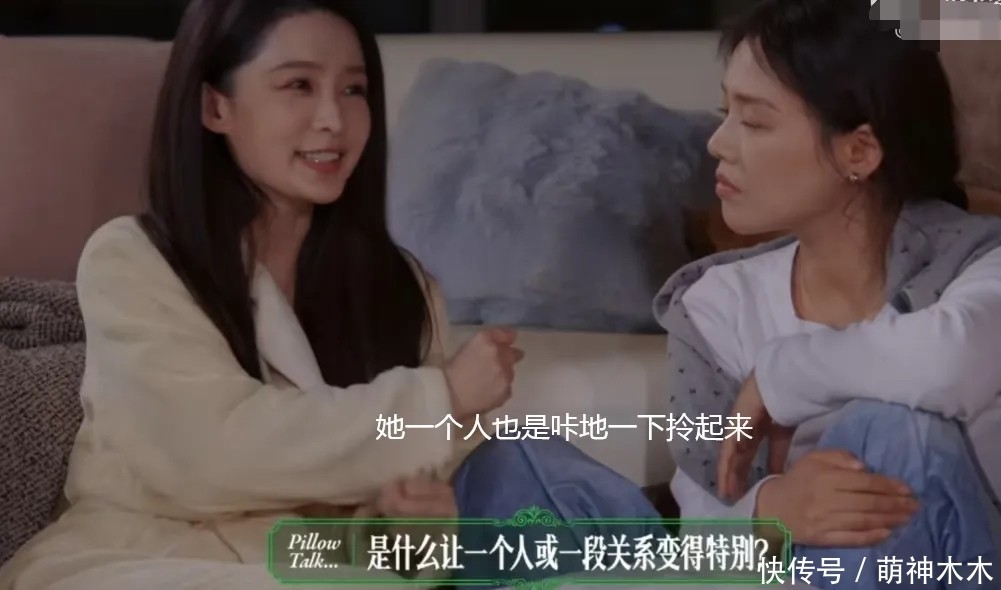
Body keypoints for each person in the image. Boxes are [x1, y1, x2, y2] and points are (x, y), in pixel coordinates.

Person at [0, 1, 666, 588]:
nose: (333, 119)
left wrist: (415, 526)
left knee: (532, 472)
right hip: (143, 562)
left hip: (319, 568)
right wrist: (439, 400)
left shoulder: (401, 287)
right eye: (298, 85)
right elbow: (208, 452)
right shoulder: (134, 258)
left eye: (353, 90)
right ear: (215, 106)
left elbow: (401, 528)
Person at [653, 1, 1001, 588]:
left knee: (893, 427)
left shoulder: (978, 262)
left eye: (753, 122)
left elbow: (948, 364)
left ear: (858, 151)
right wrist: (774, 510)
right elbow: (699, 538)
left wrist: (777, 377)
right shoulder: (716, 304)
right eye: (724, 113)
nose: (717, 143)